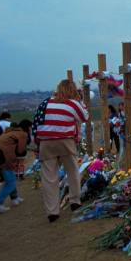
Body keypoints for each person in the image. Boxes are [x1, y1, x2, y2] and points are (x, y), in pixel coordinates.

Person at [36, 79, 89, 222]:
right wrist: (81, 100)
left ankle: (52, 211)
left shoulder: (45, 102)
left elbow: (37, 122)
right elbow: (85, 116)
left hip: (46, 141)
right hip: (65, 140)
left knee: (49, 178)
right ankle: (75, 201)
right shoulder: (72, 103)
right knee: (72, 172)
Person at [0, 120, 32, 213]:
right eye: (30, 127)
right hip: (5, 159)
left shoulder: (10, 131)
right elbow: (20, 150)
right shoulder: (23, 134)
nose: (31, 129)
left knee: (11, 178)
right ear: (27, 127)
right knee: (10, 182)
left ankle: (15, 198)